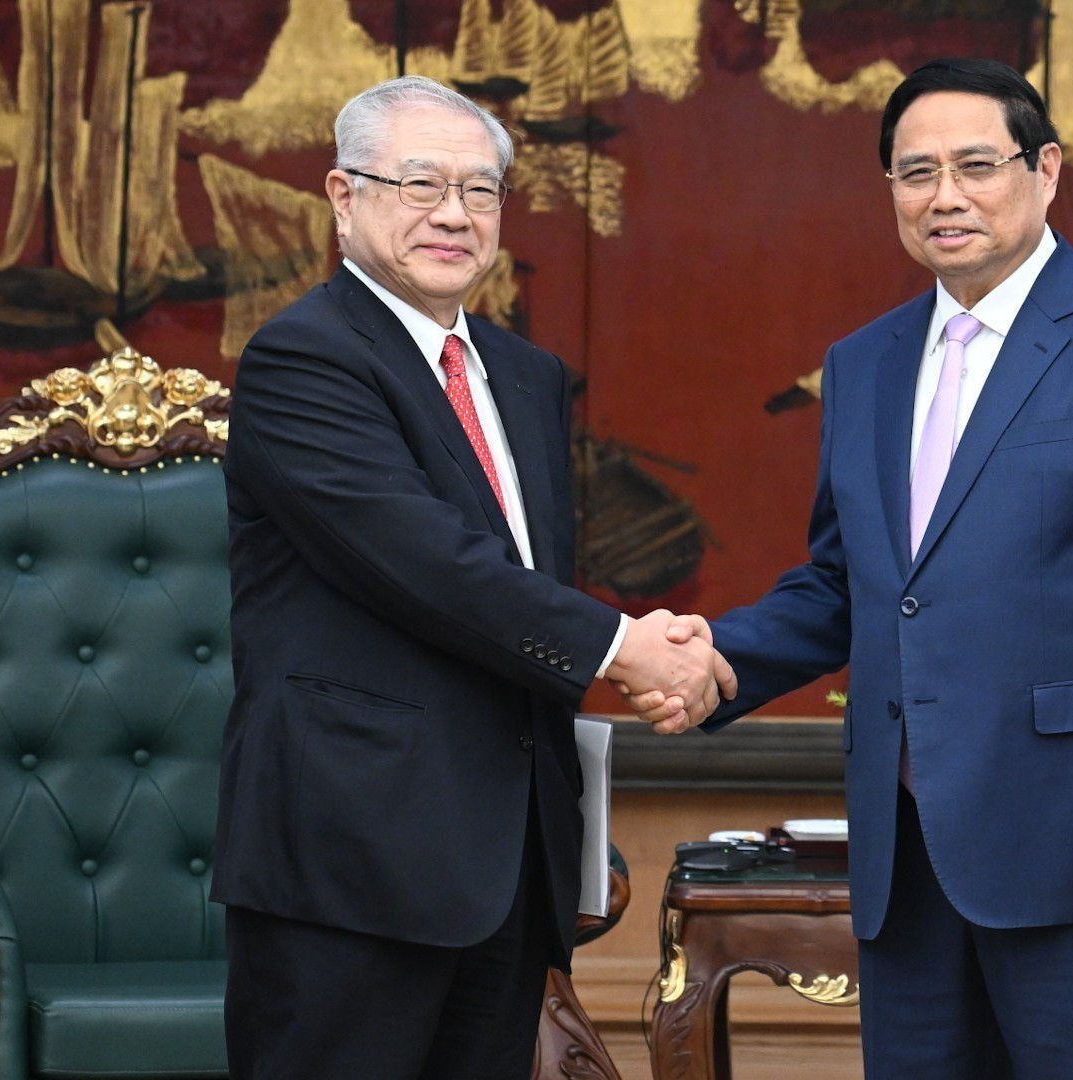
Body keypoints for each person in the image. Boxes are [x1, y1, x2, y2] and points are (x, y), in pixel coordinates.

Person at [623, 57, 1073, 1078]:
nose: (945, 195)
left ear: (1045, 171)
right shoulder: (864, 362)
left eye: (975, 165)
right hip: (906, 858)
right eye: (916, 173)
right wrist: (716, 660)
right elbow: (851, 584)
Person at [213, 75, 732, 1080]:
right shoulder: (301, 360)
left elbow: (521, 590)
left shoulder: (525, 376)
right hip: (351, 859)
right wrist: (628, 650)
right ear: (343, 197)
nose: (454, 214)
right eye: (420, 184)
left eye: (480, 190)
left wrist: (637, 657)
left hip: (510, 859)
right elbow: (430, 565)